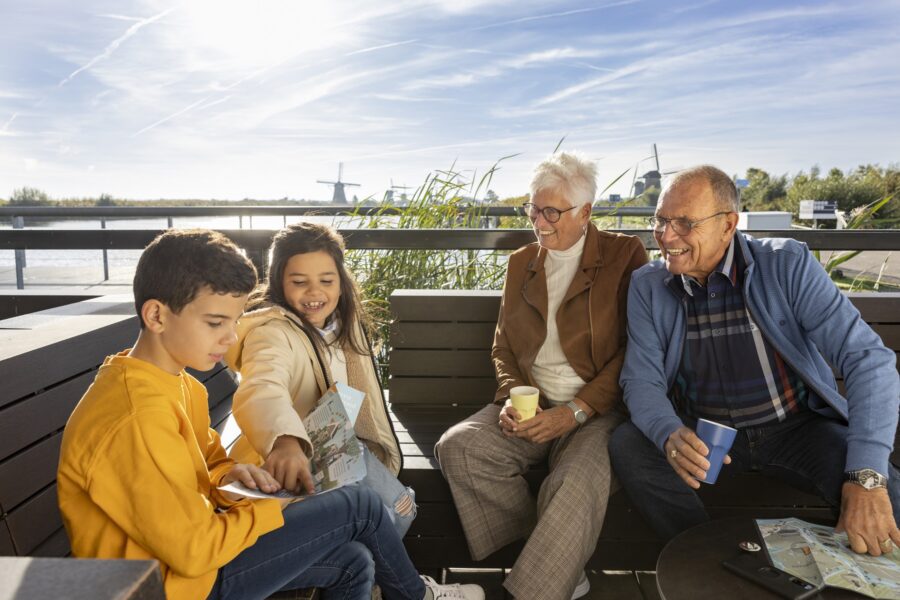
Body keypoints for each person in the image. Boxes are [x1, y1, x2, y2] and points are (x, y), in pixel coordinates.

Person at [57, 229, 483, 600]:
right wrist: (274, 509)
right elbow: (193, 550)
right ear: (157, 315)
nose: (230, 337)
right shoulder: (135, 416)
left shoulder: (177, 382)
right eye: (215, 322)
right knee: (360, 506)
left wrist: (236, 477)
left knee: (353, 559)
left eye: (235, 320)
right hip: (172, 584)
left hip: (194, 558)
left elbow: (211, 463)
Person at [610, 165, 900, 556]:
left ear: (728, 225)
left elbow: (867, 359)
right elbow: (641, 381)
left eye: (684, 223)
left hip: (799, 430)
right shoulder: (647, 286)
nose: (666, 236)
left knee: (887, 493)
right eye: (660, 220)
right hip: (707, 436)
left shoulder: (786, 263)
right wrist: (667, 432)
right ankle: (705, 560)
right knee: (630, 444)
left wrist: (866, 477)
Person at [435, 152, 648, 600]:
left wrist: (576, 411)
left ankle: (530, 587)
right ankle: (558, 565)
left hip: (600, 410)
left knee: (572, 481)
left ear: (586, 212)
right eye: (533, 208)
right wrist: (513, 395)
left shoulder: (623, 256)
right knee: (459, 448)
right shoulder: (521, 263)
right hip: (533, 405)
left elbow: (637, 351)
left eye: (552, 211)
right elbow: (503, 346)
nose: (539, 221)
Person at [226, 222, 415, 538]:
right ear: (279, 283)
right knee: (395, 513)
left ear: (341, 283)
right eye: (299, 282)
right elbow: (262, 387)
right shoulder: (272, 334)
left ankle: (389, 579)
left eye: (326, 280)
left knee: (397, 514)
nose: (315, 292)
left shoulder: (342, 328)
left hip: (336, 452)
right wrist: (284, 440)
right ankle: (407, 587)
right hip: (287, 467)